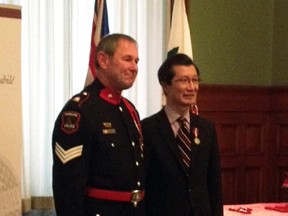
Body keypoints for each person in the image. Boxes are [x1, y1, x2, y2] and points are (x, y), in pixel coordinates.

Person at [52, 33, 145, 216]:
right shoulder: (80, 110)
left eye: (136, 61)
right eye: (127, 59)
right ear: (103, 60)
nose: (134, 67)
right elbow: (68, 184)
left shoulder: (129, 109)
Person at [141, 53, 223, 216]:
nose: (192, 87)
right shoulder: (147, 129)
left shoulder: (207, 128)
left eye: (195, 80)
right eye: (184, 80)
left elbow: (214, 184)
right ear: (165, 85)